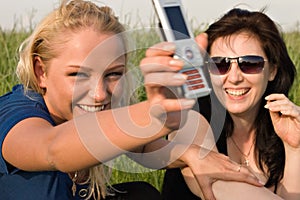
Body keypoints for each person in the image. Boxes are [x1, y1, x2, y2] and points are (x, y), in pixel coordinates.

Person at [0, 1, 263, 199]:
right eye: (78, 75)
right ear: (40, 71)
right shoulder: (15, 114)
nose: (100, 94)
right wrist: (152, 115)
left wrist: (191, 154)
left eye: (113, 74)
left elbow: (139, 146)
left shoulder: (88, 116)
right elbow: (53, 148)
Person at [160, 8, 300, 200]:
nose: (234, 77)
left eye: (250, 63)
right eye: (220, 64)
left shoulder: (286, 126)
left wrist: (294, 148)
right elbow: (222, 190)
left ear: (273, 70)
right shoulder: (192, 120)